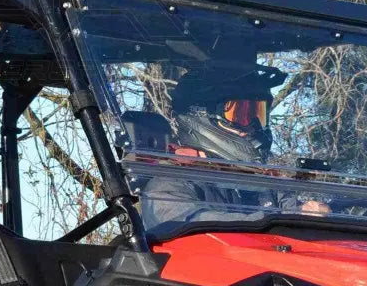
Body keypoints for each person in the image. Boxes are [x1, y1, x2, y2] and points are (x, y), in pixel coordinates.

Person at [142, 64, 331, 233]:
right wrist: (279, 221)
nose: (253, 127)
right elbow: (195, 226)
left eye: (259, 115)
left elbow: (292, 211)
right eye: (241, 114)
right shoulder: (167, 186)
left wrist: (315, 213)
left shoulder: (260, 182)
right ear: (201, 117)